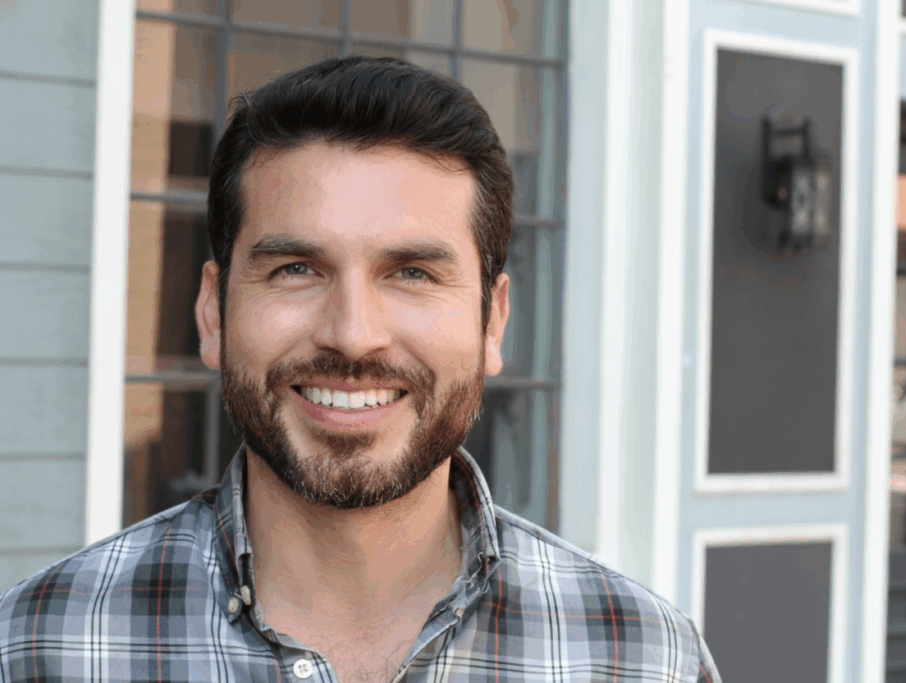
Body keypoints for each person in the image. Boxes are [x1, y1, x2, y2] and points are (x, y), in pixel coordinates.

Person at [0, 56, 721, 682]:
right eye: (295, 268)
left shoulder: (639, 656)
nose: (353, 335)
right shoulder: (40, 646)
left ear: (492, 320)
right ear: (213, 313)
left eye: (410, 271)